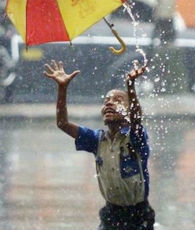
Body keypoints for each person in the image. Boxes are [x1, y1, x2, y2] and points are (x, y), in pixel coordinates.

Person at [43, 59, 155, 230]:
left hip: (138, 217)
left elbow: (136, 119)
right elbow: (62, 124)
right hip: (111, 214)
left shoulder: (135, 139)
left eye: (117, 100)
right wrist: (62, 88)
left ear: (128, 111)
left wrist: (130, 85)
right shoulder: (97, 140)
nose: (109, 103)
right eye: (106, 100)